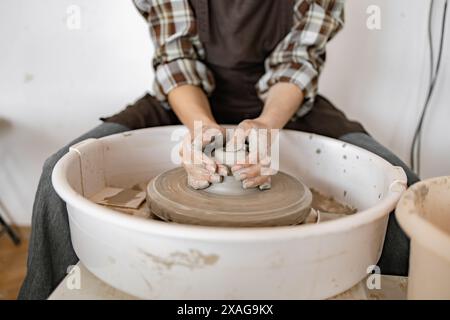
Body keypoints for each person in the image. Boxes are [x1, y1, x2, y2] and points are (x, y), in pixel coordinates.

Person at [19, 0, 419, 299]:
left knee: (404, 192)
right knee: (58, 175)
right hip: (182, 97)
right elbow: (177, 60)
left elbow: (296, 64)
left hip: (283, 102)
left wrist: (266, 126)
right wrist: (201, 128)